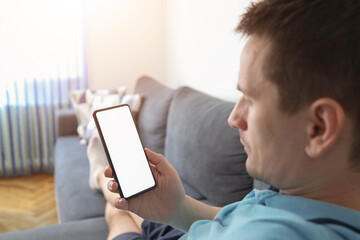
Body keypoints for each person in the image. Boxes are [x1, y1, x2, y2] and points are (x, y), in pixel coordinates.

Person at [95, 0, 360, 239]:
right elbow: (232, 221)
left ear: (319, 127)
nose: (233, 118)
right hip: (193, 228)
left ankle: (98, 175)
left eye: (250, 99)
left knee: (117, 214)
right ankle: (99, 177)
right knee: (129, 203)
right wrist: (178, 207)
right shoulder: (298, 190)